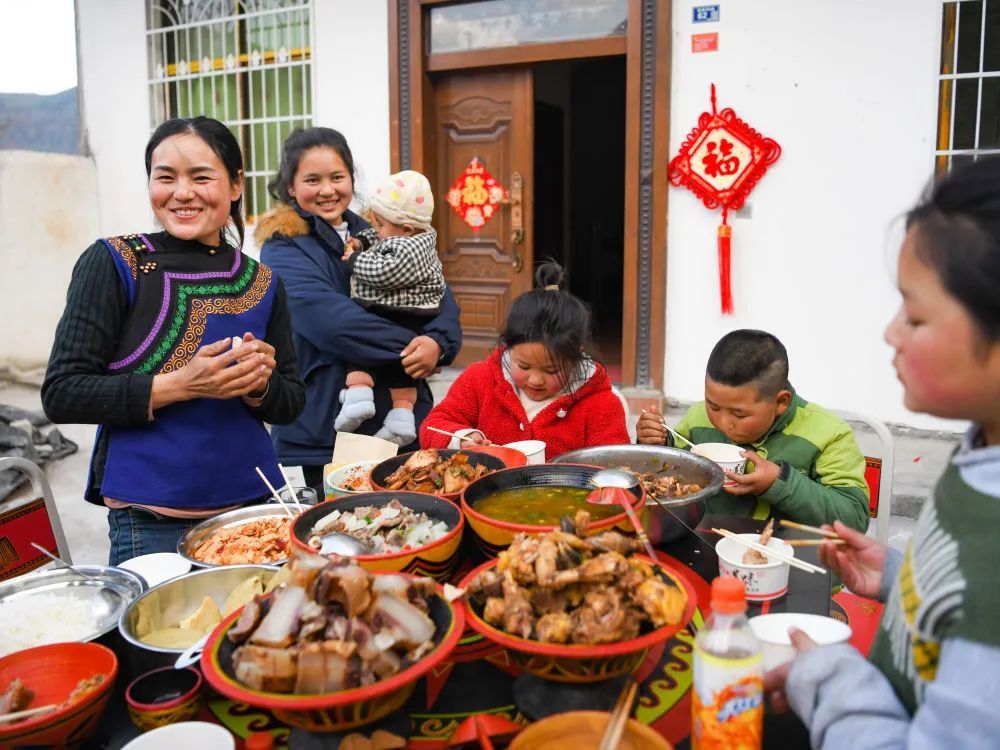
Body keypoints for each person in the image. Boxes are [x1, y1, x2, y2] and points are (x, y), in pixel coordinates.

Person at [763, 158, 1000, 749]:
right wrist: (903, 580)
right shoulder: (980, 453)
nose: (891, 332)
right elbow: (962, 604)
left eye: (915, 314)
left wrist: (829, 678)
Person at [42, 116, 306, 565]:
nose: (182, 193)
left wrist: (261, 384)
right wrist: (182, 384)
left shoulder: (262, 282)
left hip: (255, 511)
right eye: (165, 177)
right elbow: (63, 393)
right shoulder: (115, 263)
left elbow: (291, 400)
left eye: (201, 176)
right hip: (150, 522)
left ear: (236, 185)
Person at [255, 127, 462, 488]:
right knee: (341, 526)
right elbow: (330, 322)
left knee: (406, 519)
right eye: (312, 180)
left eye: (337, 177)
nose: (327, 190)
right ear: (291, 186)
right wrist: (417, 346)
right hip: (329, 418)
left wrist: (439, 343)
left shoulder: (381, 229)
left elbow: (436, 291)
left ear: (351, 178)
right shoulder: (282, 247)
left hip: (399, 410)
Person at [636, 329, 869, 531]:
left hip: (790, 560)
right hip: (708, 544)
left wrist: (780, 483)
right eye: (713, 405)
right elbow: (667, 477)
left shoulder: (828, 433)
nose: (722, 421)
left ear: (781, 402)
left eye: (739, 414)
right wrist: (657, 443)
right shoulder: (698, 416)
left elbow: (854, 519)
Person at [419, 262, 630, 460]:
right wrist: (461, 439)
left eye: (551, 369)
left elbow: (613, 464)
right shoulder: (480, 380)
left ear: (576, 356)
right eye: (524, 366)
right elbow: (432, 427)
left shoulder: (601, 405)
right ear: (508, 348)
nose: (536, 380)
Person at [335, 169, 446, 445]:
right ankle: (401, 418)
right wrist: (364, 239)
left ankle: (358, 397)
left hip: (397, 310)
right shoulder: (417, 236)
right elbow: (383, 235)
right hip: (415, 316)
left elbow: (383, 271)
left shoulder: (408, 250)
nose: (377, 229)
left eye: (381, 224)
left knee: (360, 350)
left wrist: (353, 259)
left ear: (406, 229)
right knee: (402, 371)